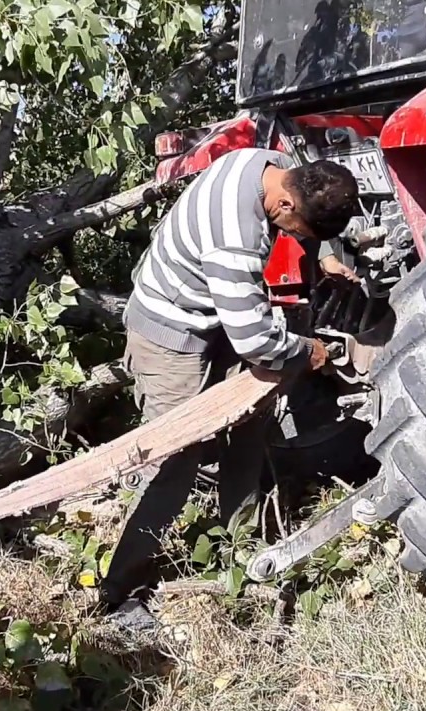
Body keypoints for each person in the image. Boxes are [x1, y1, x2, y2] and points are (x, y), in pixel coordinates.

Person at [101, 148, 360, 629]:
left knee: (250, 421)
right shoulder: (236, 239)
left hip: (216, 317)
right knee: (175, 460)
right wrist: (309, 352)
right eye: (295, 231)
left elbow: (247, 326)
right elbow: (256, 339)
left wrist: (322, 254)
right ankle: (121, 592)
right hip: (169, 333)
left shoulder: (270, 162)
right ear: (284, 207)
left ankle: (237, 543)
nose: (291, 238)